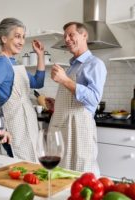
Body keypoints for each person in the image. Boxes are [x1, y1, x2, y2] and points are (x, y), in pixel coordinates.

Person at [0, 18, 45, 162]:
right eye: (17, 36)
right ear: (4, 38)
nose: (21, 41)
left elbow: (38, 82)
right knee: (22, 170)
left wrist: (40, 55)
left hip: (28, 127)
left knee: (31, 170)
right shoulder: (1, 63)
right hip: (16, 130)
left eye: (23, 37)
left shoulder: (13, 63)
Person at [49, 22, 107, 174]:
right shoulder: (72, 66)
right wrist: (56, 104)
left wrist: (64, 80)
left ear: (84, 35)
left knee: (82, 175)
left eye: (71, 35)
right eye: (65, 37)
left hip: (80, 130)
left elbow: (94, 98)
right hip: (64, 129)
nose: (67, 39)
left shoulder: (95, 64)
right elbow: (71, 100)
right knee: (62, 176)